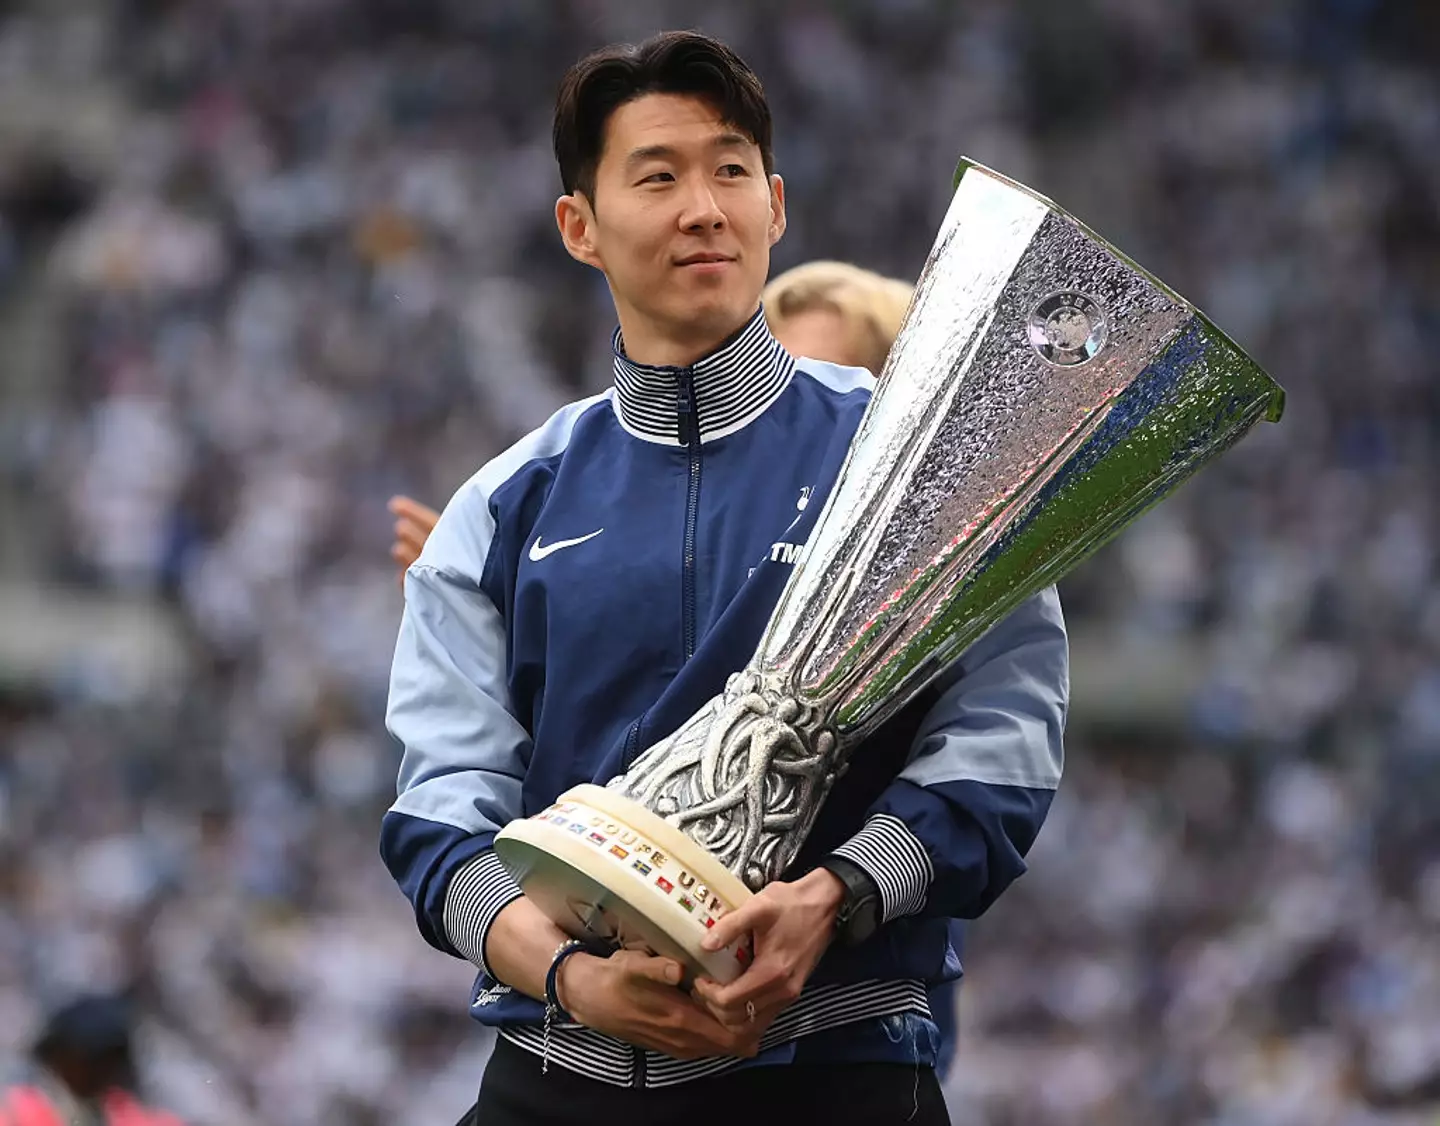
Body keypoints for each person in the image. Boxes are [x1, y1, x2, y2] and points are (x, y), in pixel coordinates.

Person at [382, 30, 1067, 1126]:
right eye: (658, 176)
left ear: (777, 205)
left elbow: (1005, 747)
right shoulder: (503, 506)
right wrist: (568, 975)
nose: (704, 206)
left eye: (731, 168)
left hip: (839, 1068)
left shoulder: (921, 462)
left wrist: (833, 899)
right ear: (580, 227)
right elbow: (439, 814)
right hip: (562, 1073)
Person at [0, 995, 185, 1126]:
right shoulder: (20, 1109)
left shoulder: (116, 1107)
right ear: (62, 1056)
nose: (105, 1073)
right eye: (99, 1061)